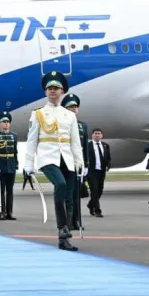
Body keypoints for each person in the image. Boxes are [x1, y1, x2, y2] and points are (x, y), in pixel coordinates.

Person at [23, 71, 84, 252]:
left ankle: (64, 238)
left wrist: (80, 163)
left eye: (56, 88)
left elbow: (75, 141)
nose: (52, 91)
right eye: (49, 88)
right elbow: (32, 140)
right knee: (61, 184)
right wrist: (28, 164)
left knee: (70, 197)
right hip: (48, 157)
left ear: (62, 91)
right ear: (45, 92)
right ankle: (62, 227)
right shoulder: (38, 114)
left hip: (67, 158)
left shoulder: (69, 115)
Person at [61, 93, 88, 230]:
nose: (73, 109)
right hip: (66, 164)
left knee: (77, 194)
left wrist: (86, 164)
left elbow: (85, 147)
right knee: (68, 194)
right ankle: (68, 221)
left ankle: (77, 221)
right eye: (70, 107)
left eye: (75, 107)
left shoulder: (83, 126)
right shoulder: (60, 125)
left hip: (78, 164)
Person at [0, 111, 18, 220]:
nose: (6, 124)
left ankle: (10, 212)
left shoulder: (14, 136)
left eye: (7, 122)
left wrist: (16, 164)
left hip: (11, 166)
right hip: (1, 166)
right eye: (3, 122)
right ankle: (2, 212)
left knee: (10, 191)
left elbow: (15, 151)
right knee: (1, 190)